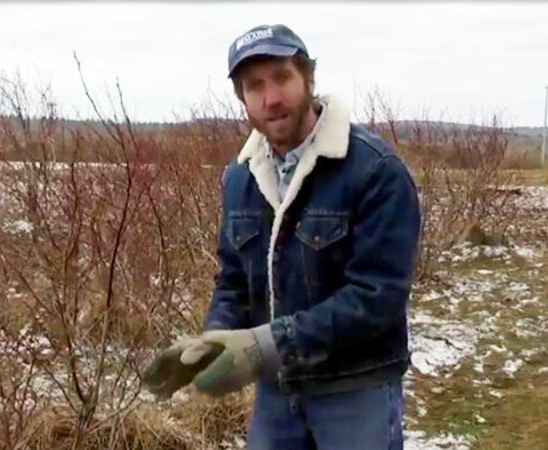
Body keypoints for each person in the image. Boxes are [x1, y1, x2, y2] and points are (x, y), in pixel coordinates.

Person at [142, 23, 422, 450]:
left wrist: (262, 346)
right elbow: (234, 279)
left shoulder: (374, 171)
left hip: (355, 391)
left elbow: (376, 298)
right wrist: (213, 341)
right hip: (277, 396)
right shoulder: (241, 178)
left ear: (308, 77)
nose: (271, 98)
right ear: (242, 99)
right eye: (255, 86)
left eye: (282, 78)